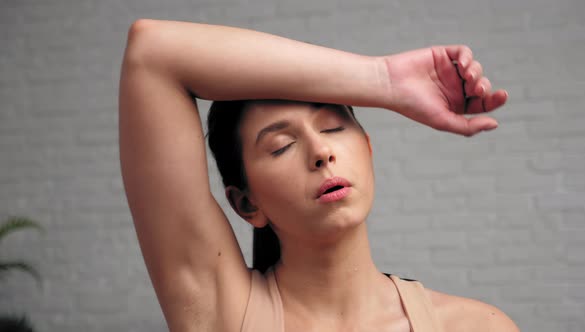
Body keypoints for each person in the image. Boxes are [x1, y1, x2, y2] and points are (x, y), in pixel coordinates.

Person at [118, 19, 518, 332]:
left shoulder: (479, 326)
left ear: (368, 150)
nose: (320, 152)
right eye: (281, 146)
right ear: (246, 203)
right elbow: (153, 52)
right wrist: (383, 79)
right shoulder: (227, 315)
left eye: (331, 127)